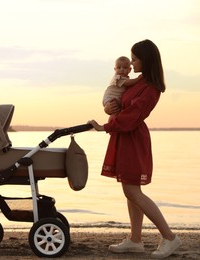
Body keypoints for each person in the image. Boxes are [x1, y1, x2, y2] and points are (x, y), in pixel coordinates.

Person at [88, 39, 181, 259]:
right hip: (125, 136)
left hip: (133, 138)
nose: (131, 62)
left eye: (135, 58)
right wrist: (109, 107)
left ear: (145, 60)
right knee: (129, 189)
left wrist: (105, 127)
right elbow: (120, 103)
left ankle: (169, 237)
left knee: (132, 190)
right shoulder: (138, 81)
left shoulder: (151, 88)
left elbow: (132, 116)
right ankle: (136, 240)